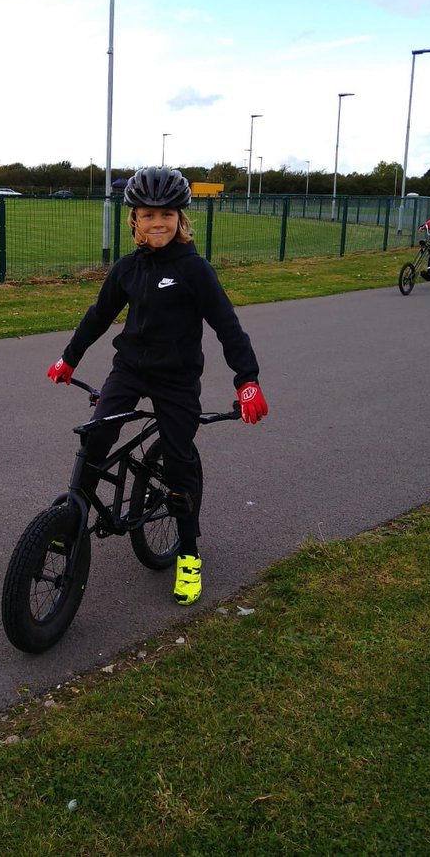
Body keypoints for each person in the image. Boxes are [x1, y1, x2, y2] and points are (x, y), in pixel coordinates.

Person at [45, 166, 267, 607]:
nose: (158, 222)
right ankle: (71, 521)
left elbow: (227, 326)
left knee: (179, 462)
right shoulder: (127, 268)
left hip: (176, 379)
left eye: (167, 214)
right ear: (135, 221)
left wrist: (247, 381)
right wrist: (69, 358)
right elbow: (99, 315)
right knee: (96, 437)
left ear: (180, 219)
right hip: (129, 370)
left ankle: (189, 554)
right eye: (148, 215)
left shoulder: (194, 269)